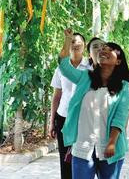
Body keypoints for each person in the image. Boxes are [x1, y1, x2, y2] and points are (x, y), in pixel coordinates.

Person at [57, 29, 129, 179]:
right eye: (102, 49)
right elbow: (64, 66)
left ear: (118, 61)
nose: (104, 51)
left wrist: (111, 142)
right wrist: (67, 40)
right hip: (82, 147)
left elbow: (120, 116)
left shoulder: (123, 87)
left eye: (109, 50)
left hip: (111, 148)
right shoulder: (85, 77)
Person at [49, 32, 91, 179]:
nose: (75, 45)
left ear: (84, 46)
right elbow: (57, 96)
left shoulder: (91, 67)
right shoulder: (61, 68)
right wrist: (52, 122)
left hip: (84, 120)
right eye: (72, 42)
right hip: (64, 118)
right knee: (65, 159)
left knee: (83, 159)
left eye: (79, 43)